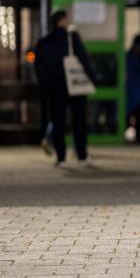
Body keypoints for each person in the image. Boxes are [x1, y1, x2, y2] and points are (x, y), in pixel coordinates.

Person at [34, 10, 96, 167]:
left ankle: (61, 157)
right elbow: (83, 58)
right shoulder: (72, 38)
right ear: (61, 21)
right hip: (74, 85)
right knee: (79, 121)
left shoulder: (43, 43)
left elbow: (39, 67)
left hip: (55, 88)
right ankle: (81, 155)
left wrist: (46, 85)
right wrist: (92, 78)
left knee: (58, 121)